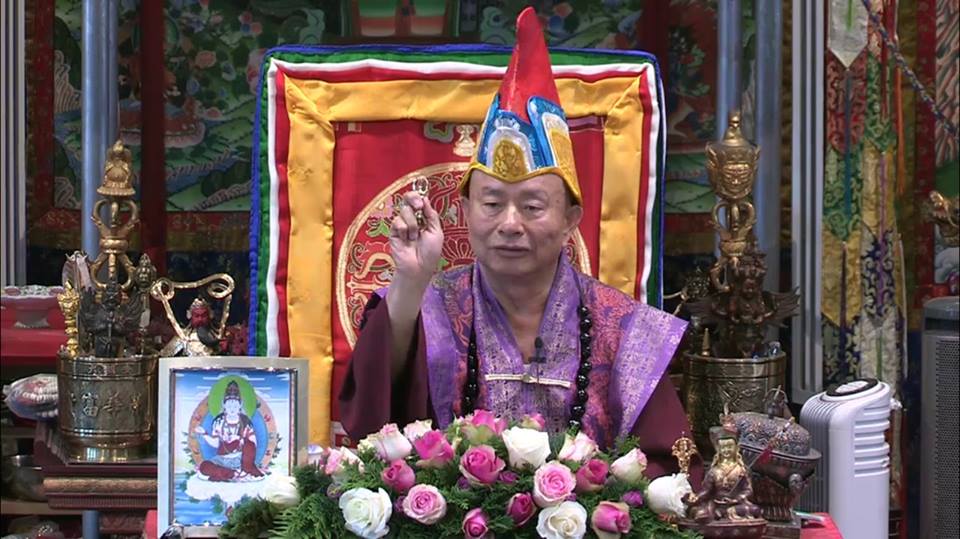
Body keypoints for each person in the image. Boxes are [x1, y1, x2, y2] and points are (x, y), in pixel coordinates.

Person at [339, 7, 699, 480]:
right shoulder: (430, 306)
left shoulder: (621, 326)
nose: (510, 224)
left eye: (532, 206)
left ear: (570, 220)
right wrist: (409, 283)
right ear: (465, 210)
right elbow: (372, 423)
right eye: (492, 203)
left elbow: (671, 467)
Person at [195, 381, 264, 482]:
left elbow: (253, 444)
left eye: (235, 406)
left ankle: (238, 472)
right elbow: (215, 443)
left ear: (240, 405)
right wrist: (204, 434)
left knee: (249, 447)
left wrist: (240, 440)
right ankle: (231, 473)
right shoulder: (219, 422)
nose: (232, 409)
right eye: (229, 406)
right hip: (222, 459)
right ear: (224, 406)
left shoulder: (245, 422)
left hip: (241, 459)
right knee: (204, 467)